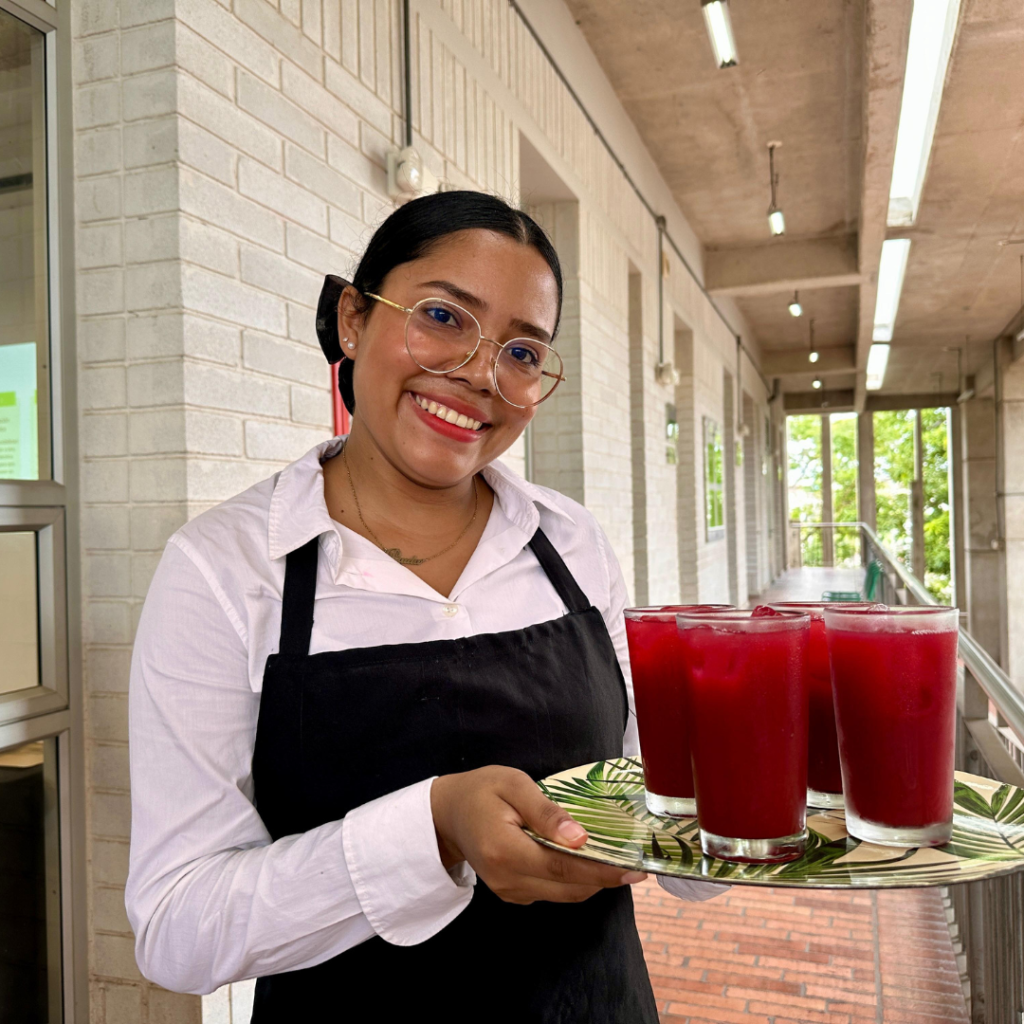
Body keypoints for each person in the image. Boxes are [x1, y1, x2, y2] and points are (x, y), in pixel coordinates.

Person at [126, 190, 714, 1022]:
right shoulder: (225, 569)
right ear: (353, 317)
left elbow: (659, 812)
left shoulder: (572, 542)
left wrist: (759, 784)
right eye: (442, 316)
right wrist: (431, 830)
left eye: (522, 351)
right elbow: (177, 927)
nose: (479, 374)